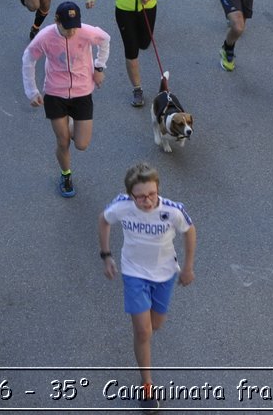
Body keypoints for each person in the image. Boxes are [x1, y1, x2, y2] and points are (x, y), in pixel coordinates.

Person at [98, 163, 197, 410]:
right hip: (134, 273)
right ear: (131, 195)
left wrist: (187, 267)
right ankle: (147, 385)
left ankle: (144, 338)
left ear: (158, 189)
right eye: (140, 196)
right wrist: (106, 255)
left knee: (155, 326)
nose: (147, 200)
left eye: (152, 194)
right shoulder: (122, 207)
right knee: (143, 332)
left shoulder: (172, 210)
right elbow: (103, 220)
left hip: (164, 275)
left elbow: (189, 231)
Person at [22, 1, 111, 197]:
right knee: (63, 141)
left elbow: (105, 39)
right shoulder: (45, 37)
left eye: (75, 27)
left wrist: (99, 67)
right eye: (67, 28)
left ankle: (70, 122)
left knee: (81, 144)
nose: (72, 32)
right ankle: (66, 175)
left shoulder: (85, 32)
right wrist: (32, 91)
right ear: (57, 21)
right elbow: (28, 58)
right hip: (55, 93)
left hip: (82, 93)